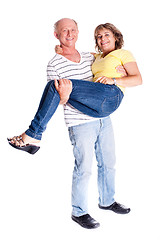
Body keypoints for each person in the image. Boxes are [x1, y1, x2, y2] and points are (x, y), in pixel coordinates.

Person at [8, 18, 142, 228]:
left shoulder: (91, 56)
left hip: (103, 117)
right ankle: (79, 212)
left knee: (108, 162)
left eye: (72, 30)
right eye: (64, 31)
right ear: (57, 35)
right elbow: (56, 101)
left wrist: (117, 77)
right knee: (84, 168)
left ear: (78, 32)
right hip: (80, 123)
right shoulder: (55, 63)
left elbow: (123, 71)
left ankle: (107, 201)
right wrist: (65, 93)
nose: (69, 34)